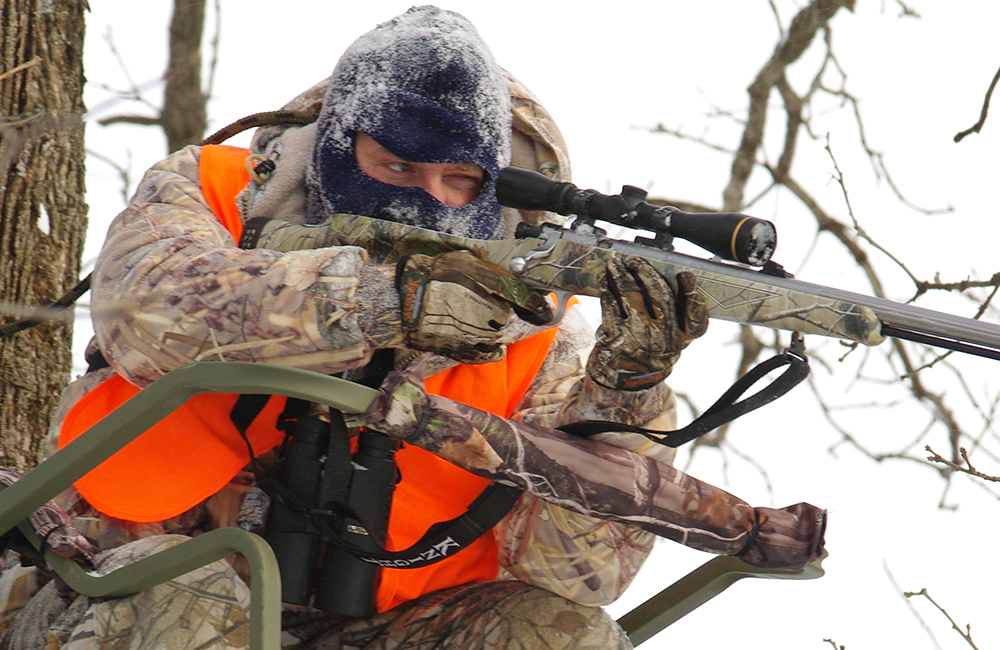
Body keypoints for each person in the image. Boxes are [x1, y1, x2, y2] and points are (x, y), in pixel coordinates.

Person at [0, 7, 823, 650]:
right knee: (193, 597)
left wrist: (630, 388)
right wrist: (383, 301)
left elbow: (584, 575)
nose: (426, 199)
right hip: (118, 596)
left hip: (388, 622)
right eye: (393, 166)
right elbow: (149, 311)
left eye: (460, 180)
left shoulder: (538, 322)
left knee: (561, 637)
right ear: (333, 145)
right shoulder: (218, 192)